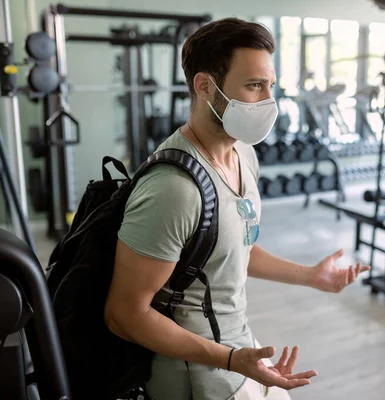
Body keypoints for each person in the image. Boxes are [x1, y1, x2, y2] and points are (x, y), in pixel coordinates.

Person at [103, 17, 370, 400]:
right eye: (253, 85)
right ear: (205, 86)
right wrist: (230, 360)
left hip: (239, 352)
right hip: (198, 375)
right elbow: (124, 314)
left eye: (270, 86)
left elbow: (230, 249)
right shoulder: (173, 189)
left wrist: (313, 276)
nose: (267, 100)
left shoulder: (243, 154)